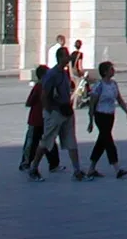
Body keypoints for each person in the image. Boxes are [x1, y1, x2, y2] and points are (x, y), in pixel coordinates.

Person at [26, 47, 85, 181]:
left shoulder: (64, 73)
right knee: (46, 141)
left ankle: (77, 170)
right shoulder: (52, 74)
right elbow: (45, 95)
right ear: (60, 58)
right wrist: (50, 110)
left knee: (71, 140)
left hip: (66, 111)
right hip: (55, 112)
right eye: (66, 56)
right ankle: (34, 167)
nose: (68, 58)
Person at [86, 60, 127, 179]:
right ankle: (116, 167)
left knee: (102, 141)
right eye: (111, 69)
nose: (113, 71)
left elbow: (119, 99)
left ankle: (91, 168)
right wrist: (90, 121)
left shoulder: (113, 84)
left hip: (110, 115)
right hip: (100, 115)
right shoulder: (99, 86)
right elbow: (92, 104)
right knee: (108, 140)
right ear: (105, 72)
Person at [20, 64, 60, 172]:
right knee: (33, 143)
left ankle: (54, 164)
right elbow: (29, 102)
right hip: (36, 120)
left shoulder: (49, 87)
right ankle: (26, 163)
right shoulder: (38, 87)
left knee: (49, 142)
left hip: (45, 120)